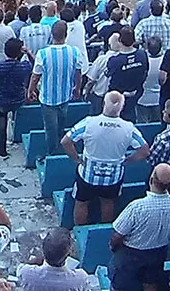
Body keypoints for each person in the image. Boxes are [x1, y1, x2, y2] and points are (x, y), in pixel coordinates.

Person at [93, 163, 170, 291]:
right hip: (159, 251)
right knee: (151, 286)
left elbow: (118, 234)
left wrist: (114, 247)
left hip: (131, 252)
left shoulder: (137, 207)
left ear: (151, 179)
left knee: (117, 287)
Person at [61, 92, 150, 226]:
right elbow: (144, 150)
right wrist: (128, 160)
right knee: (108, 202)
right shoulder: (129, 128)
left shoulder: (89, 123)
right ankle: (103, 230)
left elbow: (66, 141)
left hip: (88, 174)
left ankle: (79, 231)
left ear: (104, 103)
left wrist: (76, 158)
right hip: (113, 177)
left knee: (81, 203)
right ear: (122, 107)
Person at [30, 21, 86, 144]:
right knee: (61, 123)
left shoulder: (43, 53)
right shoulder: (75, 52)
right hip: (65, 96)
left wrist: (31, 90)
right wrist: (77, 88)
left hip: (47, 99)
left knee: (50, 129)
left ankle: (52, 152)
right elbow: (78, 73)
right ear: (66, 35)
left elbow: (35, 77)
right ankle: (61, 143)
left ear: (52, 35)